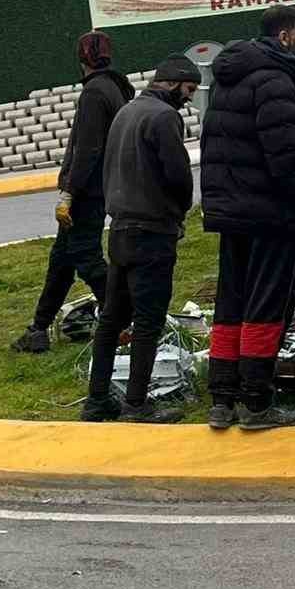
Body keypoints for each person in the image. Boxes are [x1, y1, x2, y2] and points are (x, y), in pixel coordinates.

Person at [201, 5, 295, 431]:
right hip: (272, 214)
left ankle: (222, 398)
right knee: (266, 304)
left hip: (234, 212)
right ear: (282, 38)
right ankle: (257, 402)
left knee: (231, 302)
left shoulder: (228, 80)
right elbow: (288, 158)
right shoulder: (274, 81)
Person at [82, 56, 201, 423]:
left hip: (119, 230)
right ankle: (136, 404)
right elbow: (179, 178)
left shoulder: (127, 112)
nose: (189, 98)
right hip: (152, 231)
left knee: (112, 319)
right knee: (148, 320)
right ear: (175, 83)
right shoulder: (164, 118)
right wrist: (179, 213)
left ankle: (96, 400)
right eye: (189, 90)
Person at [12, 31, 133, 353]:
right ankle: (38, 329)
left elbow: (88, 149)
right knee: (62, 261)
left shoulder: (95, 93)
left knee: (85, 257)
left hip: (88, 192)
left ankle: (127, 318)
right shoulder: (116, 89)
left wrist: (69, 192)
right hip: (102, 187)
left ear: (81, 59)